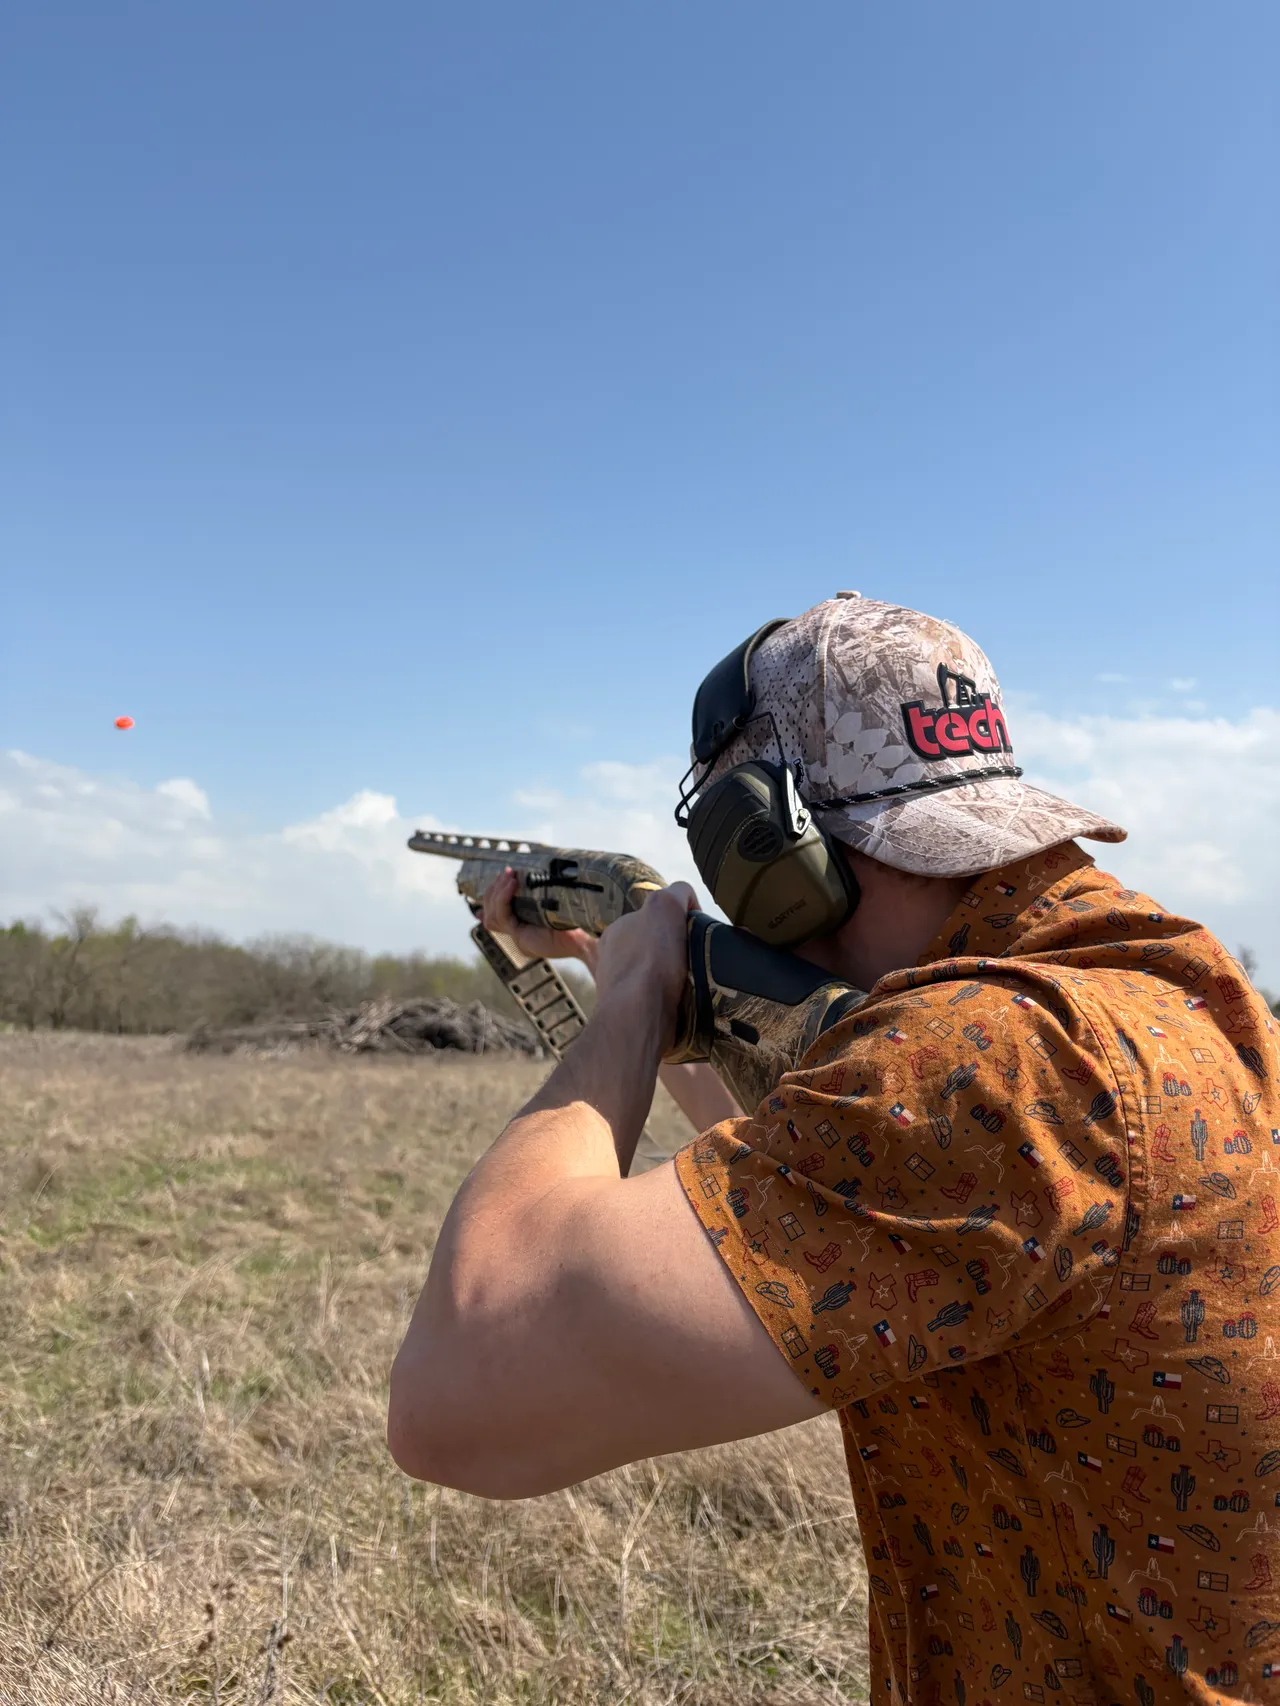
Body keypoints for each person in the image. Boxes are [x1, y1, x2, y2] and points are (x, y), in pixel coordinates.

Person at [388, 595, 1279, 1705]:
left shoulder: (991, 1061)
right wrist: (662, 1003)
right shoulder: (1162, 998)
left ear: (756, 836)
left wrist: (624, 1011)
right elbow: (826, 1201)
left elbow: (459, 1399)